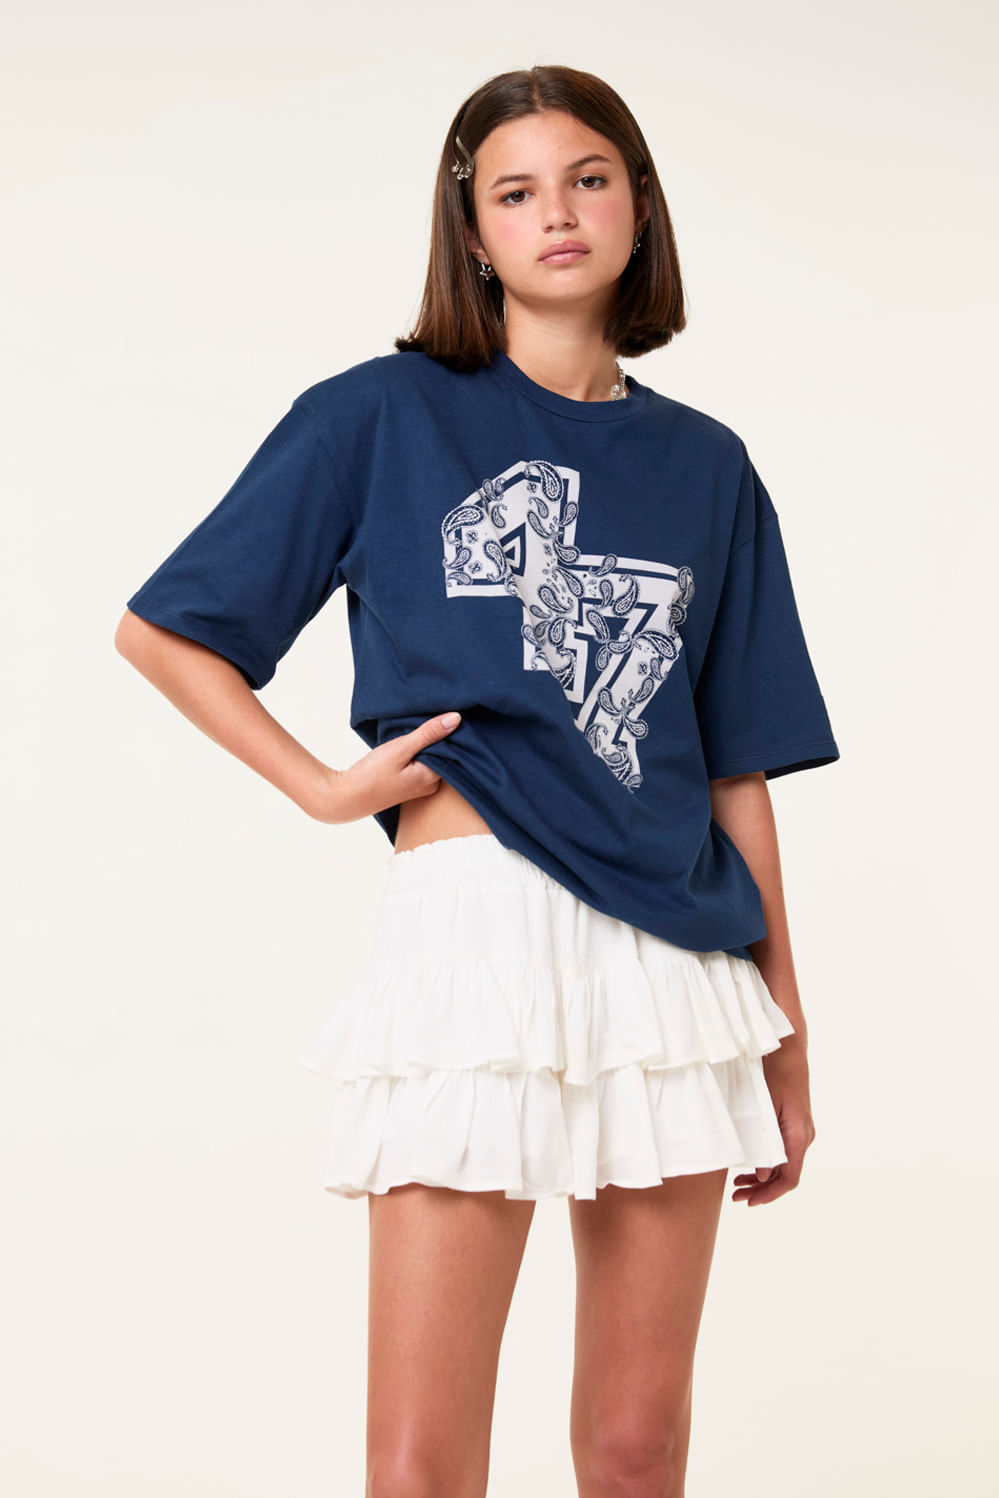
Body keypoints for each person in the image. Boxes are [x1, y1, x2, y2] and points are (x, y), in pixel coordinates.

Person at [115, 63, 840, 1498]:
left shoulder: (710, 466)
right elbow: (168, 630)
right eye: (516, 191)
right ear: (473, 230)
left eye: (588, 178)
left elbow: (735, 769)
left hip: (676, 958)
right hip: (474, 929)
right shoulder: (378, 416)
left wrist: (787, 1033)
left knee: (636, 1447)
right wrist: (325, 787)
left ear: (640, 203)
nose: (557, 213)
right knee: (420, 1465)